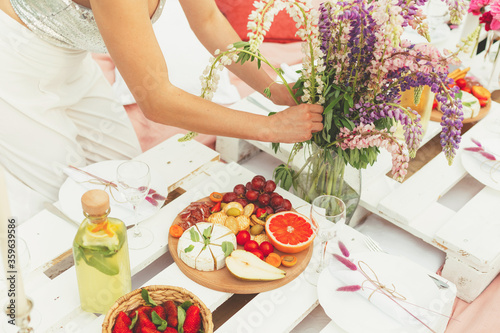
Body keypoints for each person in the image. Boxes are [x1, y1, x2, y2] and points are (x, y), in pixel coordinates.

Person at [0, 0, 324, 201]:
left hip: (72, 58)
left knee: (128, 181)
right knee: (60, 195)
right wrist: (269, 127)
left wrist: (274, 89)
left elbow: (210, 22)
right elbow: (156, 100)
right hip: (16, 61)